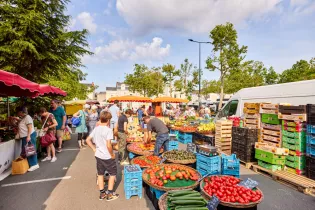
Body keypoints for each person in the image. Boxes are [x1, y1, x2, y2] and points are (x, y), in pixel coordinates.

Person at [86, 111, 119, 201]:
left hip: (98, 155)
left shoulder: (97, 128)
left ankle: (102, 194)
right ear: (108, 120)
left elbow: (88, 140)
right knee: (112, 174)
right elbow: (109, 145)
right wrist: (112, 154)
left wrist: (93, 149)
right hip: (107, 156)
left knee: (100, 174)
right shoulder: (108, 130)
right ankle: (110, 194)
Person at [16, 107, 39, 171]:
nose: (18, 114)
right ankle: (32, 164)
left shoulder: (27, 117)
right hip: (25, 136)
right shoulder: (23, 118)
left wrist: (28, 136)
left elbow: (30, 127)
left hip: (28, 135)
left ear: (21, 112)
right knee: (28, 150)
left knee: (30, 150)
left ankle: (34, 164)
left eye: (18, 112)